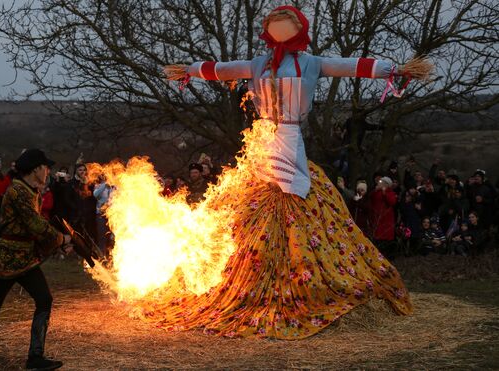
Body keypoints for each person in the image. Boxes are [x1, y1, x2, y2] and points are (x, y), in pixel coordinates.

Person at [151, 5, 430, 338]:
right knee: (260, 194)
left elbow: (350, 66)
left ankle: (298, 262)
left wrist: (392, 69)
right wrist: (191, 70)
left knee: (293, 190)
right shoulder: (259, 64)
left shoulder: (310, 62)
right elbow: (224, 70)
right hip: (262, 137)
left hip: (290, 135)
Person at [0, 149, 72, 370]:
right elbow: (35, 225)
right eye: (45, 167)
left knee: (43, 300)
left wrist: (57, 243)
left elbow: (35, 230)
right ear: (36, 169)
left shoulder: (32, 191)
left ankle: (35, 357)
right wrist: (61, 238)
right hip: (8, 258)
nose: (48, 171)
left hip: (24, 258)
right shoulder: (18, 191)